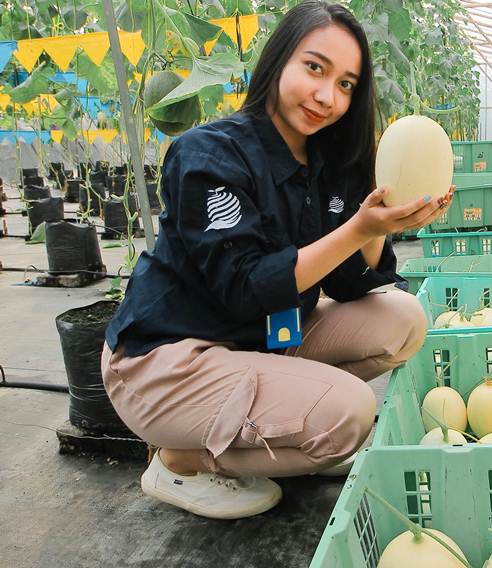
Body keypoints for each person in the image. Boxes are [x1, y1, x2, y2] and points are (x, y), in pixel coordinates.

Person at [100, 0, 453, 520]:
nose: (327, 96)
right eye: (315, 68)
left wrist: (383, 225)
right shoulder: (208, 154)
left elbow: (353, 285)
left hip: (260, 338)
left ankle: (290, 421)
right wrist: (359, 227)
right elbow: (246, 286)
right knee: (351, 415)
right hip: (170, 359)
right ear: (279, 60)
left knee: (403, 319)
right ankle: (180, 459)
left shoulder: (326, 161)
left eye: (346, 84)